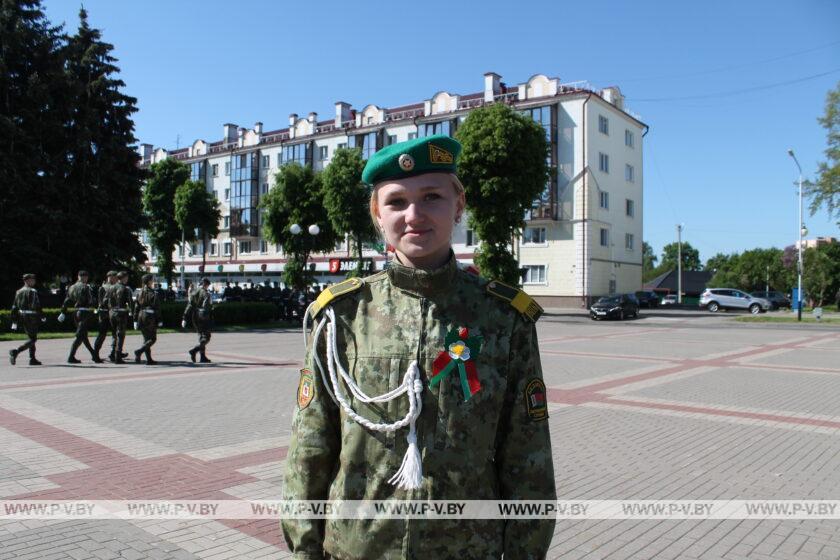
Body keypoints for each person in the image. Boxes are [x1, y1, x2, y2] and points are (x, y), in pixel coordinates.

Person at [281, 135, 556, 559]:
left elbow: (527, 455)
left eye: (431, 197)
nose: (414, 215)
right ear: (377, 214)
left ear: (458, 205)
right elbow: (310, 449)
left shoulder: (504, 319)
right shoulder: (341, 315)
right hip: (357, 548)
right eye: (396, 202)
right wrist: (304, 550)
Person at [59, 270, 100, 364]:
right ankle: (71, 356)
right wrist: (96, 306)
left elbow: (67, 300)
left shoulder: (71, 287)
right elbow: (90, 300)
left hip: (76, 312)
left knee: (83, 336)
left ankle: (94, 355)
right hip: (84, 313)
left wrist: (63, 312)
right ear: (85, 277)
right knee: (80, 336)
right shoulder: (85, 287)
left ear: (78, 276)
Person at [9, 273, 45, 366]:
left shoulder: (18, 291)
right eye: (32, 280)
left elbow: (14, 307)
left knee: (31, 337)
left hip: (22, 316)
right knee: (33, 339)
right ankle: (16, 351)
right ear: (27, 281)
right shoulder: (32, 291)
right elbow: (37, 305)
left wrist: (14, 320)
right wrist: (42, 316)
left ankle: (32, 359)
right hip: (31, 316)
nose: (34, 281)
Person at [93, 271, 124, 361]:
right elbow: (102, 302)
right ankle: (97, 354)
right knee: (105, 334)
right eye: (115, 277)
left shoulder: (104, 287)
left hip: (108, 313)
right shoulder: (106, 287)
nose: (116, 279)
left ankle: (113, 353)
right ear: (110, 277)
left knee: (112, 334)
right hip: (106, 314)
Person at [133, 273, 162, 365]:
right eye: (152, 279)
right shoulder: (153, 293)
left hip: (141, 315)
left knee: (146, 339)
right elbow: (157, 308)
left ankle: (148, 359)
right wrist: (160, 320)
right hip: (149, 317)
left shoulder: (139, 292)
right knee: (152, 339)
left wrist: (135, 319)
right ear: (149, 281)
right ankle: (139, 351)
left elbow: (136, 307)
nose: (153, 281)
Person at [182, 277, 213, 363]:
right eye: (207, 285)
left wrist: (184, 317)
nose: (207, 287)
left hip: (195, 316)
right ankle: (194, 350)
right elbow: (206, 306)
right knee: (206, 337)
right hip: (203, 316)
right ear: (205, 284)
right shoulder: (206, 293)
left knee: (200, 335)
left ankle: (202, 357)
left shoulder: (194, 292)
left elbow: (190, 305)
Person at [107, 271, 134, 364]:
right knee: (121, 335)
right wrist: (132, 312)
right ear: (123, 278)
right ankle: (118, 355)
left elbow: (107, 300)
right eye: (126, 278)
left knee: (114, 334)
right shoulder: (125, 289)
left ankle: (112, 353)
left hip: (112, 312)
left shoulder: (111, 288)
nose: (127, 279)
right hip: (121, 313)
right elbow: (130, 302)